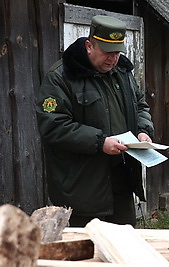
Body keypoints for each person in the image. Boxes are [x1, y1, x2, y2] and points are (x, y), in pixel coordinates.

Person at [36, 15, 154, 227]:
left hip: (120, 184)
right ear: (90, 46)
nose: (113, 59)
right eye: (108, 52)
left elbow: (140, 104)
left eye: (118, 52)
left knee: (123, 249)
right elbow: (53, 125)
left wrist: (143, 130)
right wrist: (101, 142)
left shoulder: (122, 73)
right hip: (82, 190)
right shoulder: (60, 77)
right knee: (86, 252)